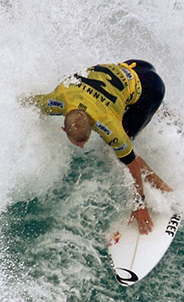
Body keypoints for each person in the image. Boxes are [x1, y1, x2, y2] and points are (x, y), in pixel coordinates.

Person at [28, 60, 172, 234]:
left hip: (150, 89)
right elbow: (27, 103)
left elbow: (131, 162)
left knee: (113, 150)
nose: (81, 147)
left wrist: (139, 204)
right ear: (64, 127)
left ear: (93, 124)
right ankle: (166, 114)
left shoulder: (108, 123)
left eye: (84, 141)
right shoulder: (57, 99)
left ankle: (166, 191)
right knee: (122, 114)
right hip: (136, 65)